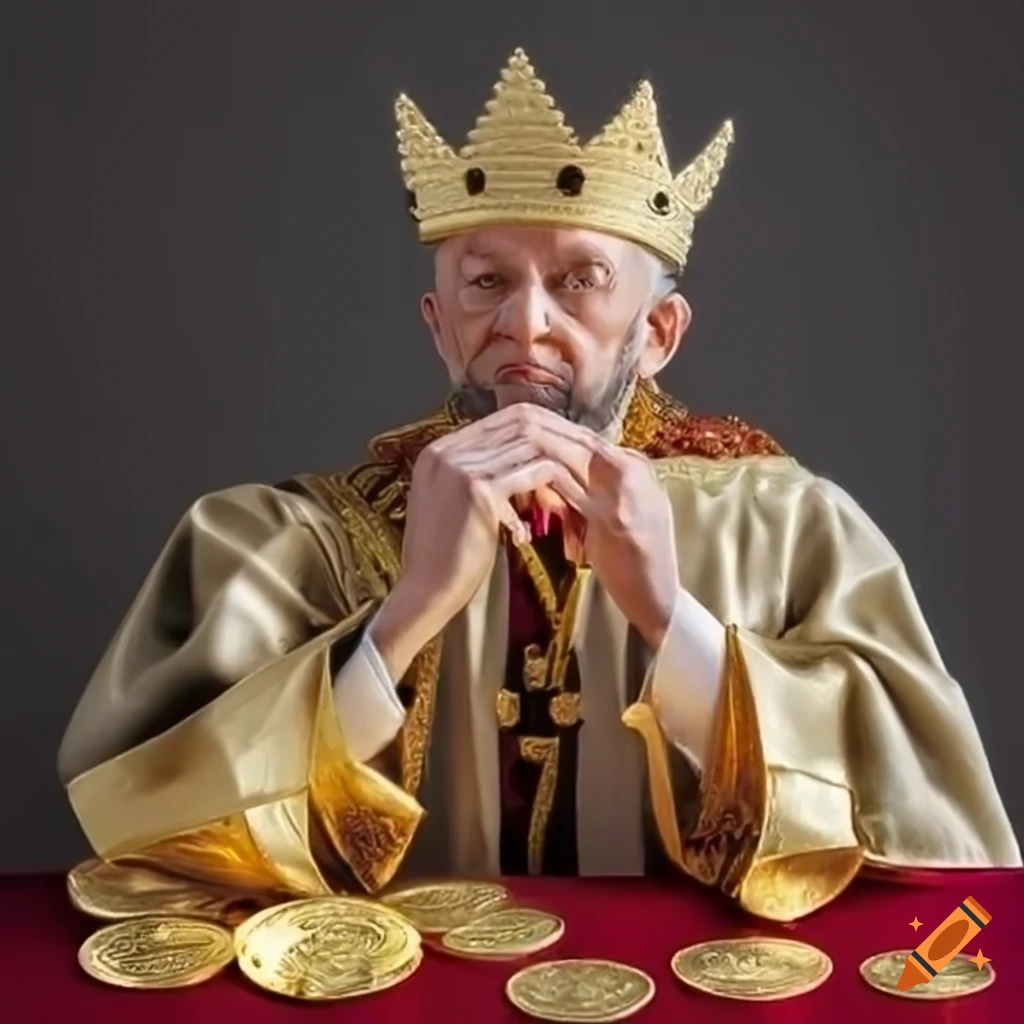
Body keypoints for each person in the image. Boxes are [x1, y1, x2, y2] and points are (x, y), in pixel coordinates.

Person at [57, 48, 1019, 923]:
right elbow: (145, 826)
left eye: (581, 279)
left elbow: (930, 824)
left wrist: (669, 620)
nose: (526, 323)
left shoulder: (787, 526)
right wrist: (404, 620)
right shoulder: (292, 540)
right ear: (438, 322)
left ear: (657, 333)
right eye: (486, 283)